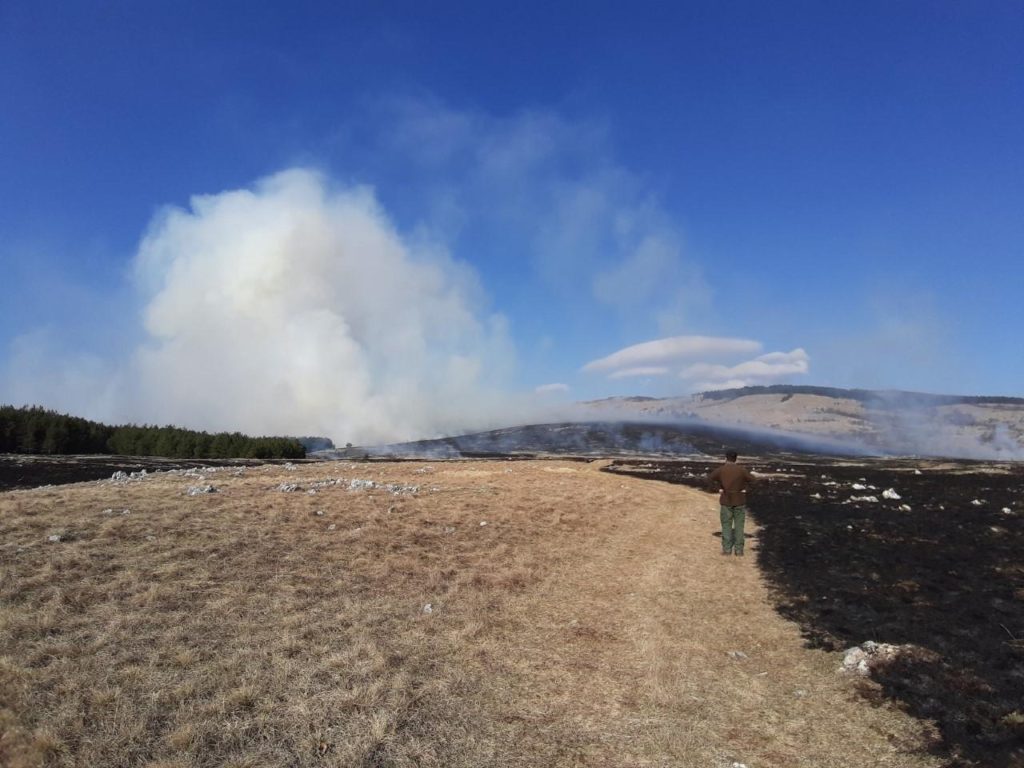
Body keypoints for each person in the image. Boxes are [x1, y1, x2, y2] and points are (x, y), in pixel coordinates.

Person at [707, 450, 755, 557]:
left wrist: (717, 488)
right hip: (739, 500)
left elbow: (709, 478)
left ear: (726, 458)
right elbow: (753, 480)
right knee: (739, 526)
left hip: (726, 500)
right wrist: (746, 489)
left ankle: (727, 550)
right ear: (736, 459)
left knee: (726, 526)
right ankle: (739, 551)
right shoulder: (741, 470)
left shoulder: (721, 470)